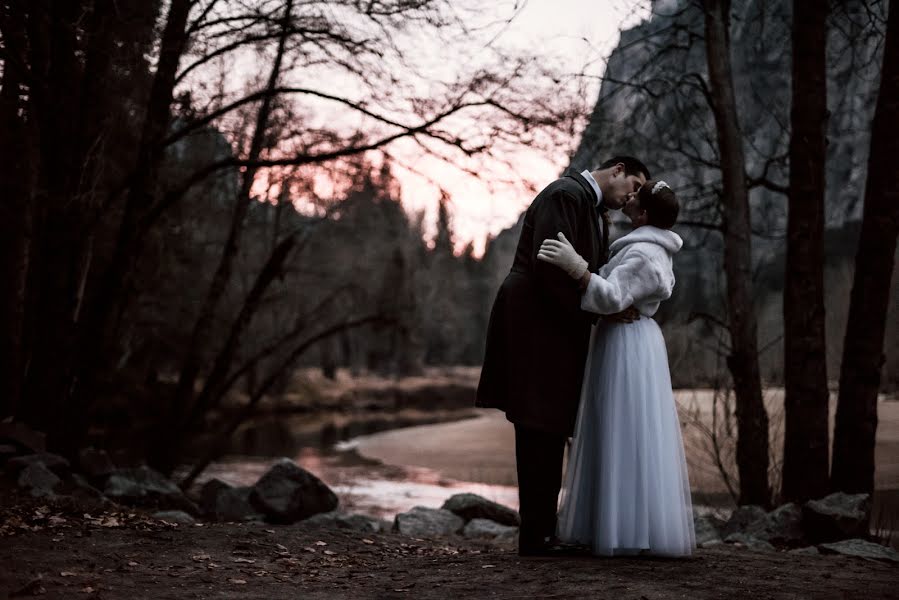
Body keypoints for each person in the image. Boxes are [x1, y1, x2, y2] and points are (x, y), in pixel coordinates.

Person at [476, 157, 650, 556]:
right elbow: (552, 268)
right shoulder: (565, 195)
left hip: (550, 325)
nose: (632, 197)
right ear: (617, 169)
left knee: (549, 426)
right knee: (539, 426)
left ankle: (541, 535)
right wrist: (599, 310)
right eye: (634, 185)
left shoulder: (587, 208)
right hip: (536, 324)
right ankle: (537, 539)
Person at [536, 179, 695, 557]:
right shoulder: (647, 247)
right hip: (632, 338)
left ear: (642, 215)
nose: (629, 196)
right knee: (625, 428)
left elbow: (610, 298)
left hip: (626, 342)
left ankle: (623, 530)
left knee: (622, 428)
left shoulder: (643, 253)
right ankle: (619, 524)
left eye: (636, 198)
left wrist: (578, 269)